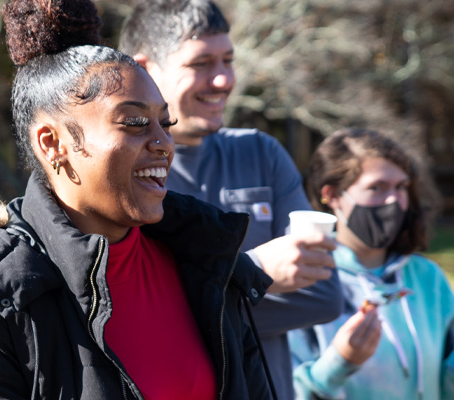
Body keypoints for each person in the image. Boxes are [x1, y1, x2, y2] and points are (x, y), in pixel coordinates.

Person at [0, 0, 274, 398]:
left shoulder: (208, 261)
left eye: (166, 122)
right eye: (134, 123)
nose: (163, 143)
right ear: (52, 143)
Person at [120, 1, 343, 398]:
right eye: (201, 63)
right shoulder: (124, 176)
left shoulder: (262, 154)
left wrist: (197, 309)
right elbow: (130, 316)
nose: (223, 80)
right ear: (146, 68)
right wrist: (255, 273)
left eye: (228, 60)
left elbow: (324, 296)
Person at [288, 129, 454, 399]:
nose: (393, 200)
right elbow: (285, 390)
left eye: (401, 187)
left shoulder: (427, 277)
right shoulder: (304, 278)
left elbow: (449, 390)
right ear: (332, 196)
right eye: (377, 187)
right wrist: (341, 361)